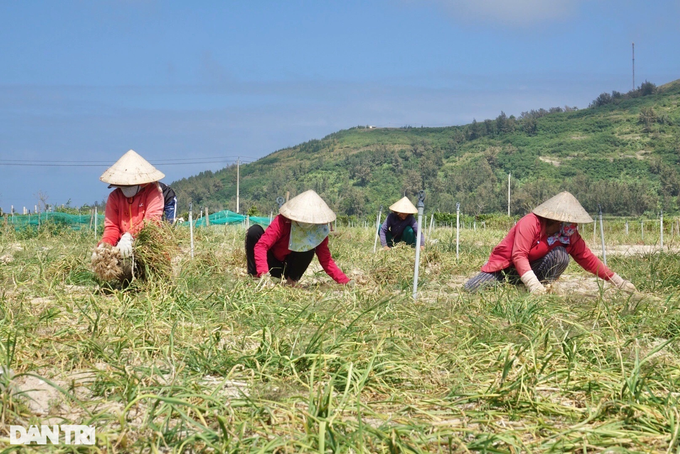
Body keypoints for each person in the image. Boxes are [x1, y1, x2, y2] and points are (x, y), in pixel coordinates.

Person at [464, 191, 636, 294]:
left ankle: (541, 290)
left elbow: (588, 259)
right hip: (505, 268)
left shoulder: (569, 235)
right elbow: (518, 256)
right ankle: (530, 287)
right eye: (569, 222)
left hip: (534, 270)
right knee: (472, 289)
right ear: (555, 220)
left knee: (561, 255)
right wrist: (532, 284)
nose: (572, 225)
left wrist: (619, 282)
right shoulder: (530, 223)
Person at [245, 190, 351, 286]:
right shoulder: (283, 221)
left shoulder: (318, 231)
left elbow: (325, 259)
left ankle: (291, 282)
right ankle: (255, 277)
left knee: (308, 248)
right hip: (270, 262)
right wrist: (263, 273)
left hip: (288, 267)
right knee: (254, 231)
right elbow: (262, 246)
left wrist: (344, 281)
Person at [95, 149, 165, 258]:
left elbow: (152, 221)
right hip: (122, 247)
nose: (126, 189)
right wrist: (105, 244)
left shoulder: (153, 193)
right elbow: (111, 227)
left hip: (149, 246)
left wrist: (130, 236)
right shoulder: (115, 197)